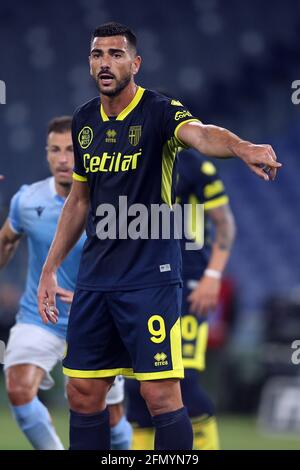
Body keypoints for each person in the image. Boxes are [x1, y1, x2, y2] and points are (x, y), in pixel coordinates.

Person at [37, 22, 281, 451]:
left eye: (115, 54)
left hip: (151, 277)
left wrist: (241, 146)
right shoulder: (83, 120)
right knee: (82, 392)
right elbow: (78, 200)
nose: (105, 63)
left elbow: (203, 135)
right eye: (97, 55)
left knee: (160, 395)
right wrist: (50, 268)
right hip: (96, 278)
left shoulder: (160, 111)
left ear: (136, 62)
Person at [0, 116, 131, 450]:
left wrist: (98, 293)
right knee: (18, 388)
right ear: (46, 154)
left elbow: (133, 261)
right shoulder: (27, 201)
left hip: (98, 317)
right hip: (40, 316)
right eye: (54, 150)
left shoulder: (112, 202)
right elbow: (5, 244)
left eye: (71, 150)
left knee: (111, 418)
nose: (62, 159)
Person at [125, 150, 235, 449]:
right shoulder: (129, 157)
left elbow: (224, 223)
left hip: (188, 283)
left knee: (182, 381)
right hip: (141, 282)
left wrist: (213, 276)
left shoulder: (193, 164)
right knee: (138, 386)